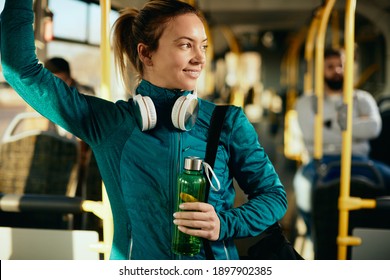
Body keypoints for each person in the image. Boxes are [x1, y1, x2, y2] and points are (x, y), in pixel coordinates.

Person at [0, 0, 287, 260]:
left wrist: (225, 224)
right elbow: (20, 69)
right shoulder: (109, 124)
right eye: (186, 45)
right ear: (146, 54)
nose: (199, 58)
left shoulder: (227, 123)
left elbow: (274, 196)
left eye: (203, 46)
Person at [293, 47, 390, 236]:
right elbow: (313, 134)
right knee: (302, 187)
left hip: (360, 159)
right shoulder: (307, 102)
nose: (337, 70)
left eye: (341, 66)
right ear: (320, 69)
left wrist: (330, 124)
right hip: (322, 159)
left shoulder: (362, 98)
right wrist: (353, 127)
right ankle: (316, 238)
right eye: (330, 66)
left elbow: (373, 129)